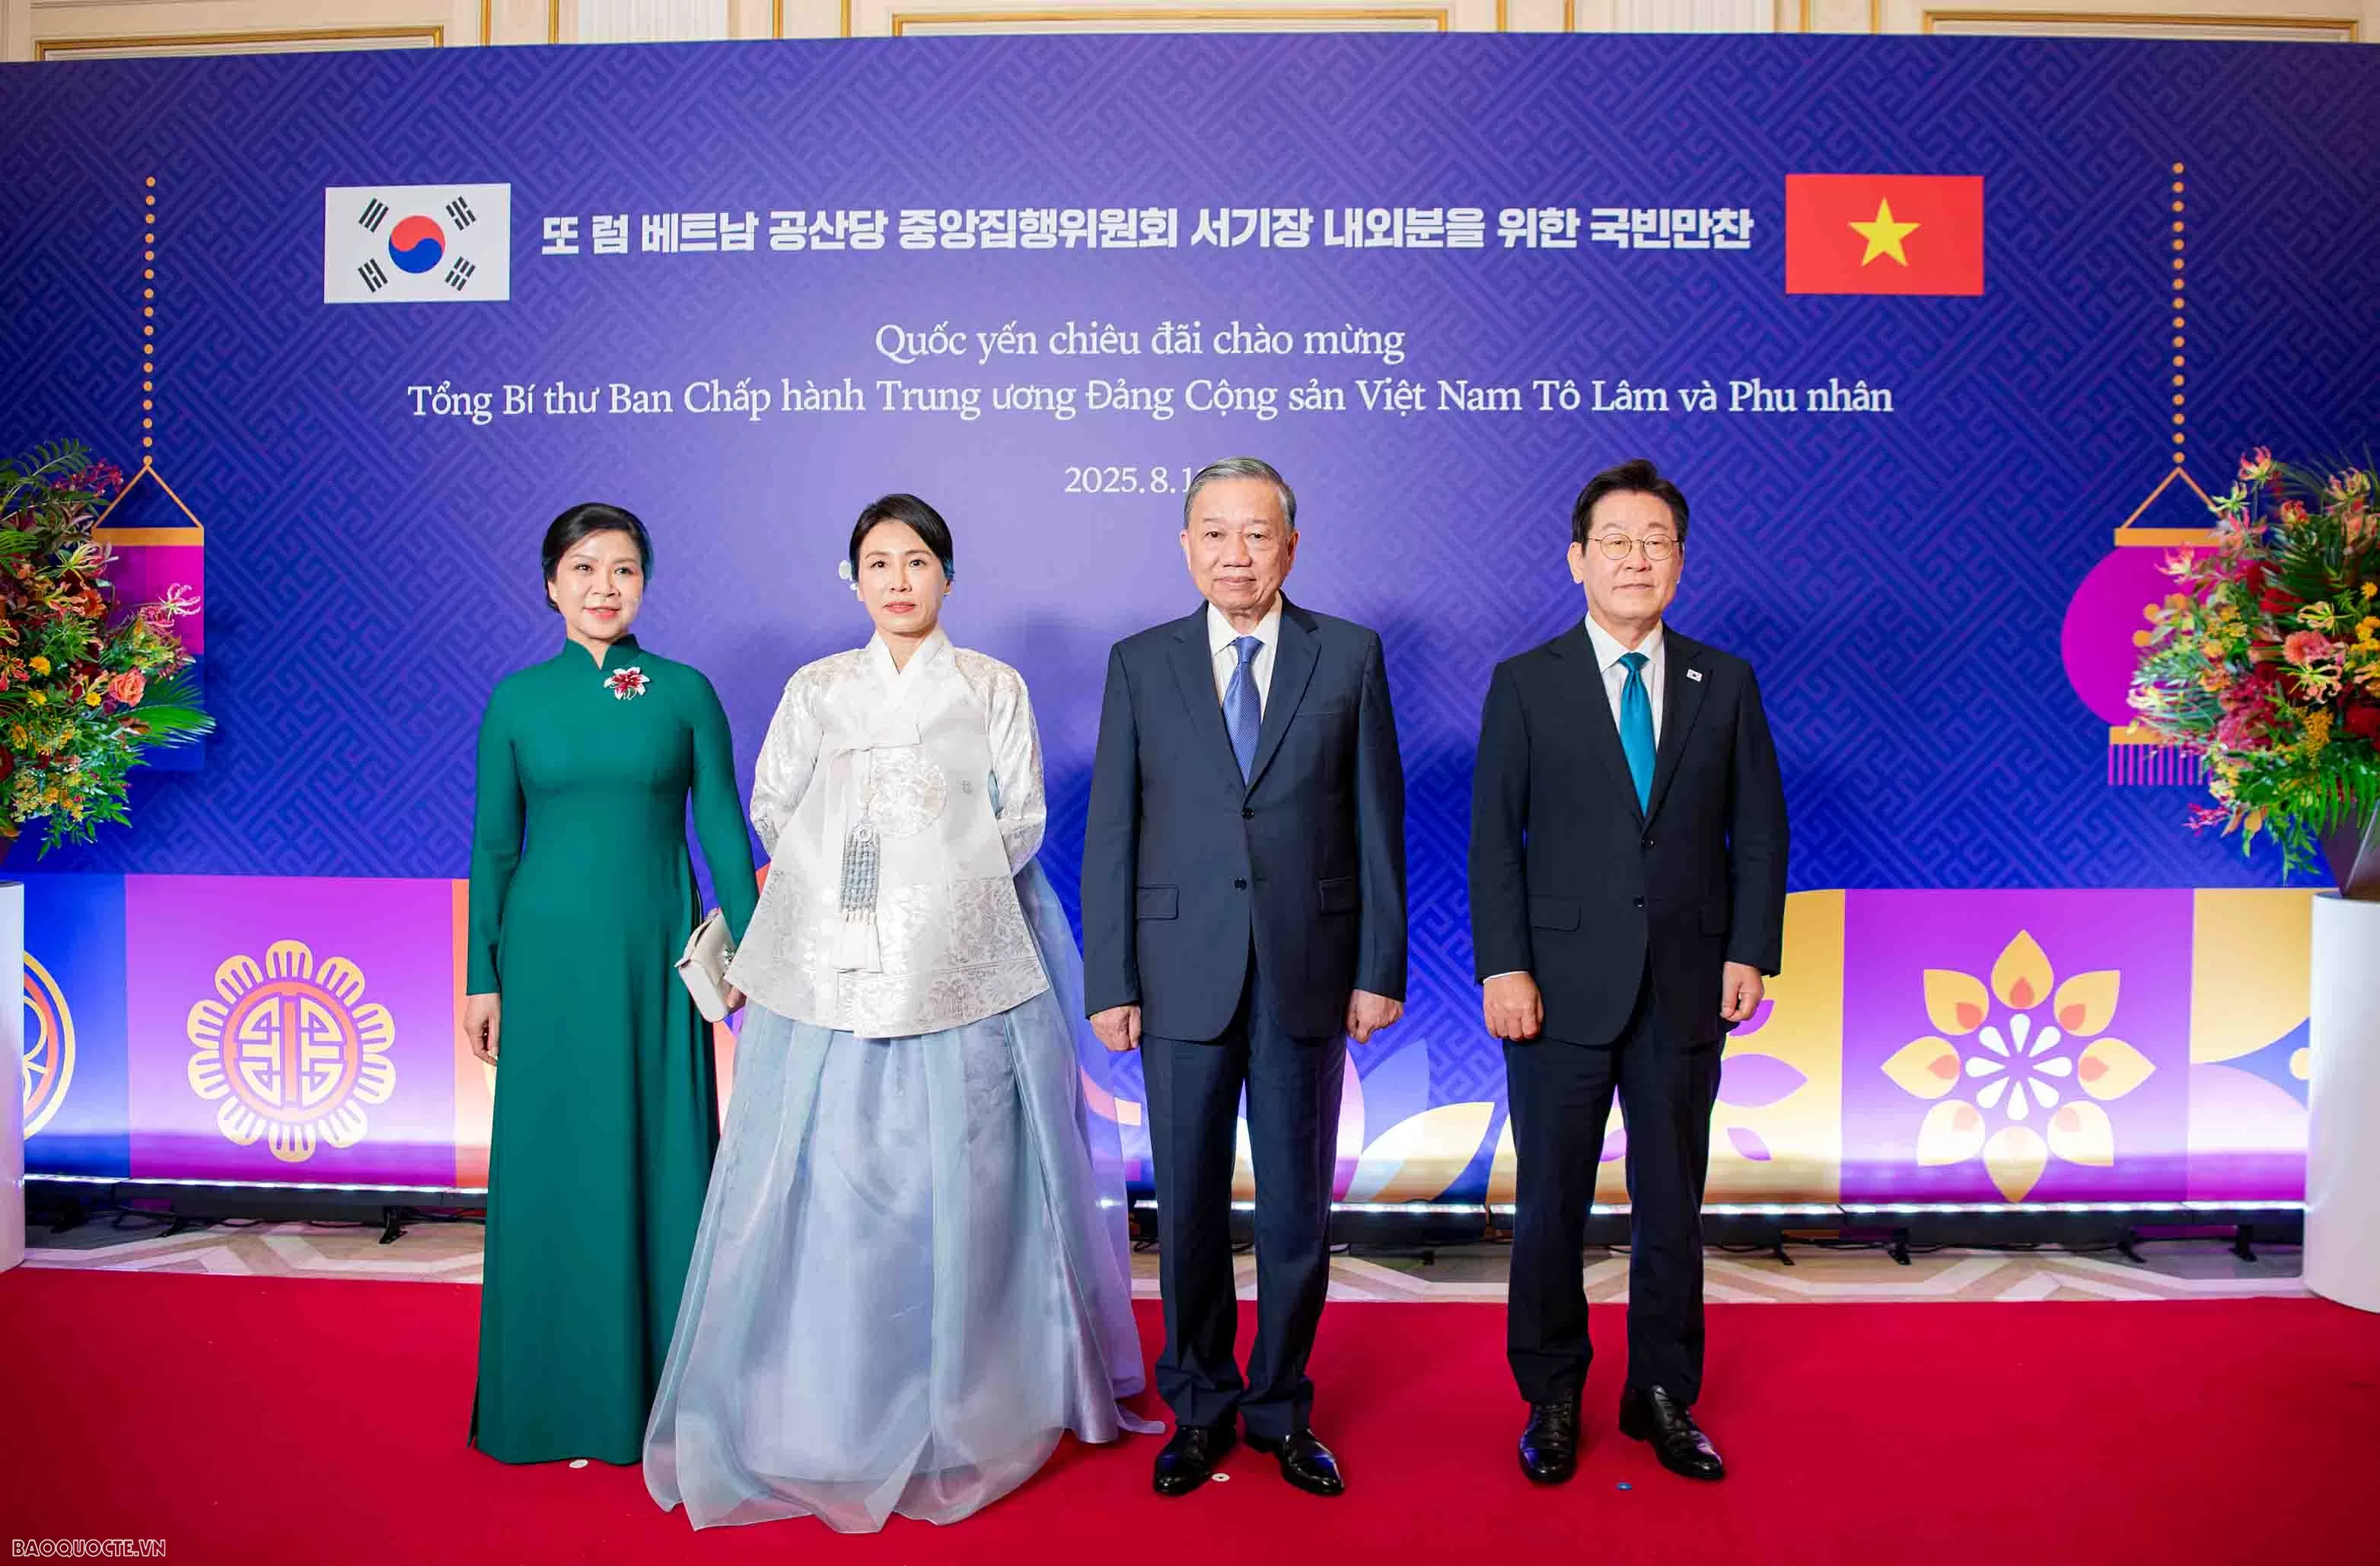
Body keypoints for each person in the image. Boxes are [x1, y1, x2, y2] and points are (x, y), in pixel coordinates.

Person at [643, 494, 1152, 1534]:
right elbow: (776, 804)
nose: (897, 580)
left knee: (973, 1171)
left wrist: (935, 897)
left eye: (916, 560)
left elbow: (1019, 817)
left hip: (966, 959)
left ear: (946, 576)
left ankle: (974, 1398)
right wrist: (858, 885)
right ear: (853, 578)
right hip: (836, 957)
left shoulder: (989, 685)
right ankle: (827, 1393)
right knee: (829, 1172)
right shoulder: (819, 688)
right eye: (877, 562)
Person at [1082, 457, 1407, 1499]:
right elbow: (1113, 834)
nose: (1236, 553)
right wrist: (1109, 979)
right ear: (1185, 546)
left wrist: (1377, 967)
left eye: (1256, 534)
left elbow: (1375, 823)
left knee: (1295, 1209)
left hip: (1308, 971)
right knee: (1181, 1205)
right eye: (1215, 533)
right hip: (1176, 973)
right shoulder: (1141, 662)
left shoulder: (1346, 655)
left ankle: (1278, 1407)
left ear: (1291, 547)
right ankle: (1200, 1405)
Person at [1469, 458, 1788, 1486]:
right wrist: (1503, 966)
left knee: (1670, 1201)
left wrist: (1747, 949)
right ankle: (1550, 1393)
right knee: (1549, 1202)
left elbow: (1760, 830)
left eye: (1654, 540)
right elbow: (1490, 844)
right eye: (1614, 539)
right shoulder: (1524, 681)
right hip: (1553, 990)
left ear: (1680, 561)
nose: (1635, 557)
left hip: (1686, 984)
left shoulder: (1721, 680)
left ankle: (1660, 1393)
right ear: (1576, 559)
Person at [463, 502, 760, 1465]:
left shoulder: (679, 693)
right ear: (551, 583)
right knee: (554, 1164)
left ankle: (669, 1399)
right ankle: (543, 1399)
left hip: (653, 962)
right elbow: (495, 846)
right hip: (546, 968)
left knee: (659, 1156)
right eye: (584, 569)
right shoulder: (516, 699)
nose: (603, 587)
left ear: (645, 584)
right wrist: (482, 976)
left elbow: (722, 830)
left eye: (623, 570)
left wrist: (751, 952)